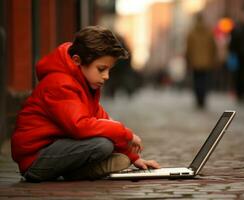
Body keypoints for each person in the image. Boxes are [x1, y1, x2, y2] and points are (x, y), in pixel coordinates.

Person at [11, 26, 160, 182]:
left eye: (109, 70)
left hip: (55, 149)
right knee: (102, 145)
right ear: (77, 61)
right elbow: (80, 126)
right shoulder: (60, 84)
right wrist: (126, 134)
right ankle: (80, 172)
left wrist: (133, 157)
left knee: (104, 142)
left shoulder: (85, 84)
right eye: (101, 69)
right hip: (35, 161)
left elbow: (101, 119)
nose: (106, 76)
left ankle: (80, 171)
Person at [185, 13, 217, 109]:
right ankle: (202, 99)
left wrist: (188, 60)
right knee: (204, 81)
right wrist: (212, 58)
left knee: (196, 81)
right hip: (206, 61)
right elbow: (213, 47)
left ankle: (198, 99)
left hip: (195, 62)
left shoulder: (191, 32)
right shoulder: (209, 32)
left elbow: (188, 48)